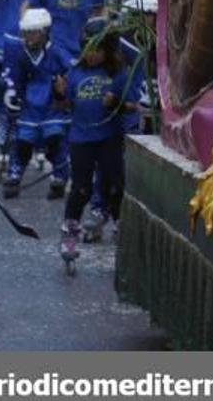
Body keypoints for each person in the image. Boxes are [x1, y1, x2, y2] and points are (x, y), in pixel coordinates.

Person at [56, 18, 137, 263]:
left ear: (109, 50)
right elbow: (65, 106)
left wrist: (117, 104)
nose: (91, 55)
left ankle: (120, 225)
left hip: (109, 137)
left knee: (115, 184)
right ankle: (70, 232)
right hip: (81, 138)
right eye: (87, 49)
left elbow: (134, 106)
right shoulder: (75, 72)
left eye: (97, 50)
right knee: (81, 188)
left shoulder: (119, 73)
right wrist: (58, 93)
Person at [0, 8, 73, 200]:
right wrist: (12, 93)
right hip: (30, 106)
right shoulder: (22, 55)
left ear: (45, 32)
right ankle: (15, 173)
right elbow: (15, 78)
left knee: (55, 142)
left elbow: (70, 73)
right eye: (26, 33)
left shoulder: (57, 52)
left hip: (52, 106)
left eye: (33, 32)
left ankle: (60, 175)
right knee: (23, 142)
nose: (28, 37)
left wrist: (64, 87)